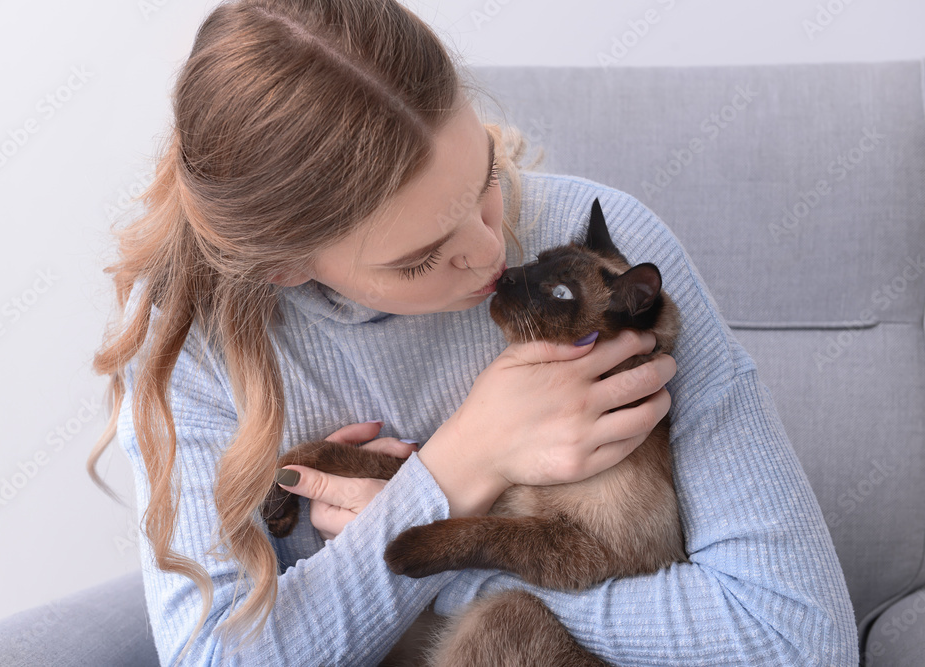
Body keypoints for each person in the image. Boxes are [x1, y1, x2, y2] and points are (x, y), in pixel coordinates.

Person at [87, 0, 859, 665]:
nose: (495, 252)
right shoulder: (189, 344)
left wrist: (456, 556)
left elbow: (797, 638)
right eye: (423, 257)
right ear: (287, 267)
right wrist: (463, 461)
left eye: (485, 178)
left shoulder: (599, 259)